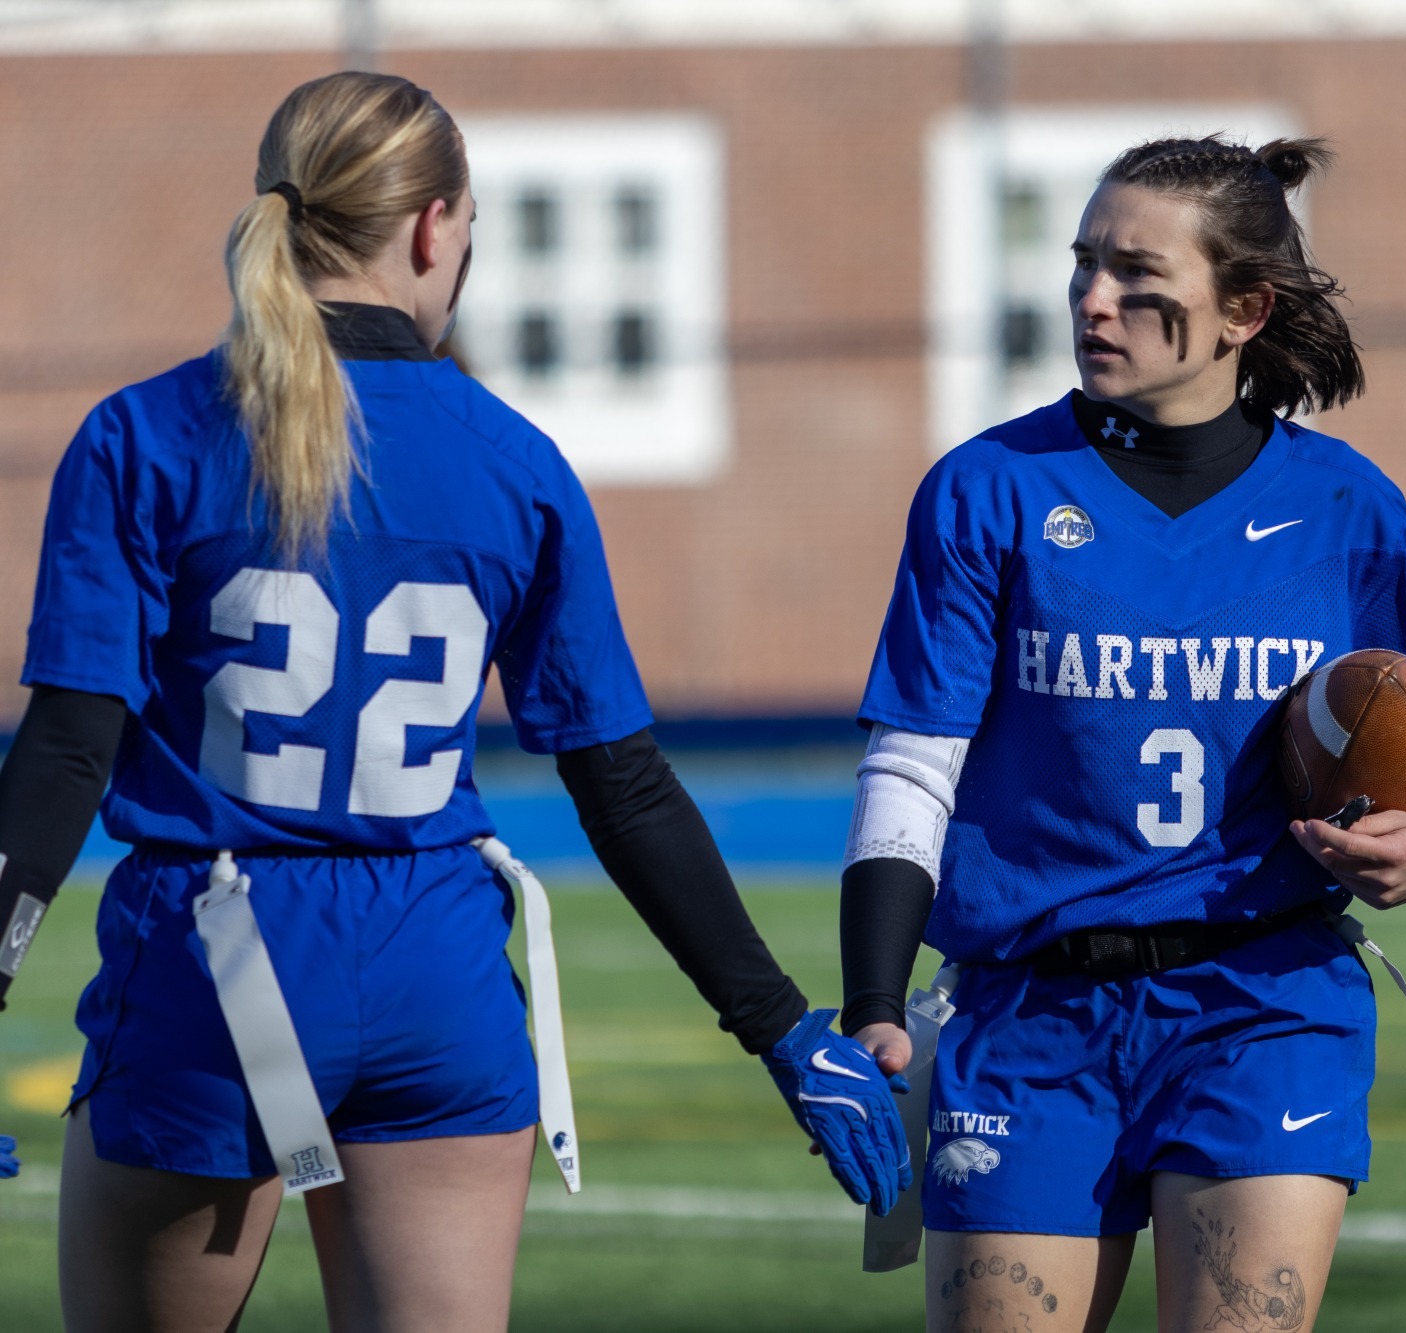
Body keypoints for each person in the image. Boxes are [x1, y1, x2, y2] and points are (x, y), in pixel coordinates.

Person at [0, 71, 905, 1333]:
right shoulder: (514, 459)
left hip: (217, 957)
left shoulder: (144, 435)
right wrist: (778, 1025)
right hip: (435, 965)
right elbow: (622, 786)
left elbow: (66, 751)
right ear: (434, 229)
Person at [839, 136, 1406, 1332]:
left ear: (1244, 311)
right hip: (1029, 1015)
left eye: (1138, 276)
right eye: (1083, 263)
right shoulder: (986, 489)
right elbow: (912, 763)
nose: (1092, 299)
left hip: (1264, 1001)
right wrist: (872, 996)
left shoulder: (1348, 508)